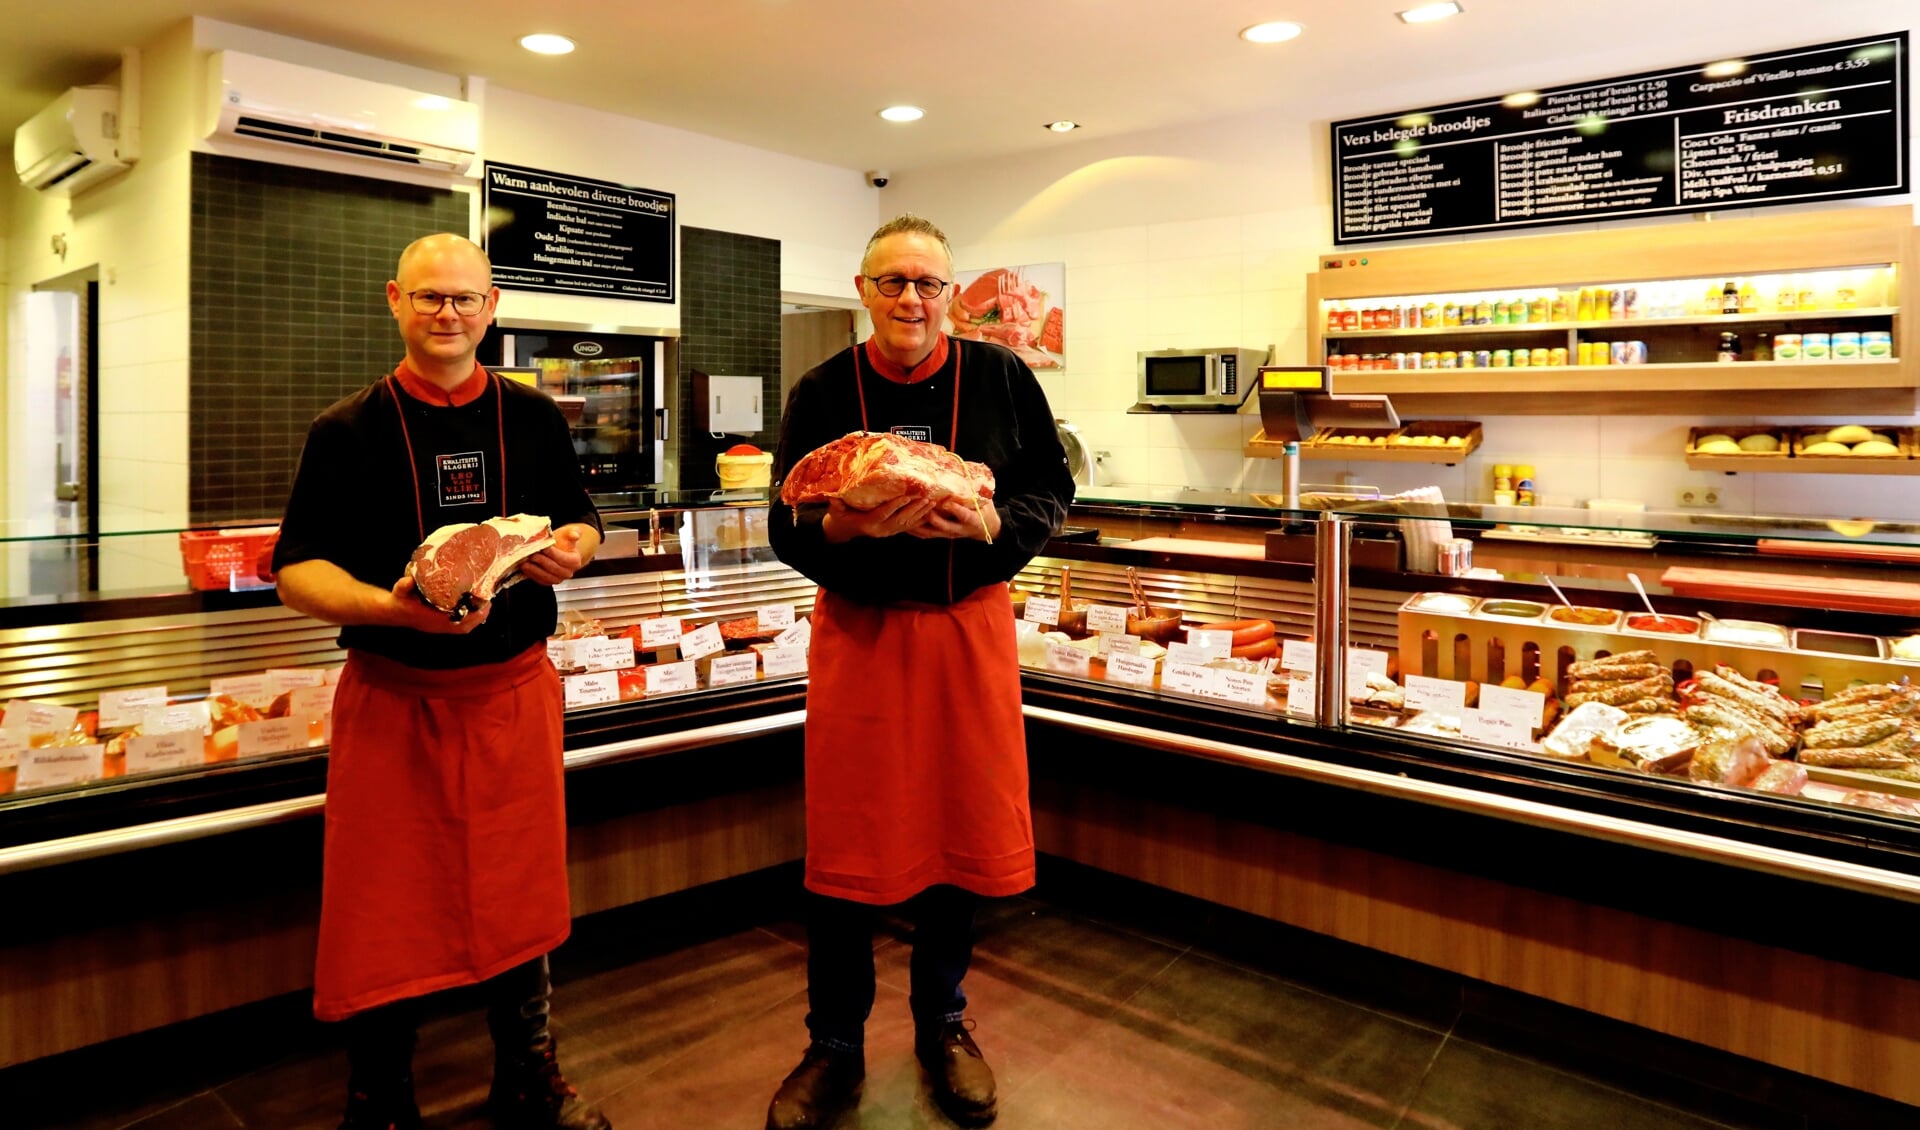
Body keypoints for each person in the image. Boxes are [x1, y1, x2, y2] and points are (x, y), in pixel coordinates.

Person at [273, 233, 611, 1130]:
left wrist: (574, 548)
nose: (448, 314)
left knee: (523, 890)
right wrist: (393, 611)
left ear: (491, 306)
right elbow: (297, 569)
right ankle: (381, 1092)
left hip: (511, 695)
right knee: (385, 903)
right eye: (429, 298)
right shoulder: (345, 429)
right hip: (395, 699)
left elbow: (581, 519)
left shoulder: (535, 417)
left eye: (464, 299)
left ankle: (529, 1076)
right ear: (396, 300)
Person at [764, 214, 1074, 1129]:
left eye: (928, 284)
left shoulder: (1003, 377)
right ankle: (834, 1042)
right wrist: (841, 526)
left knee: (954, 836)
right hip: (860, 637)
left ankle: (943, 1021)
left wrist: (992, 529)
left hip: (966, 632)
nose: (910, 299)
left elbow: (1049, 489)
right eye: (892, 282)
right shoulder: (822, 391)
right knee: (847, 846)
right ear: (863, 291)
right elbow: (787, 519)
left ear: (951, 294)